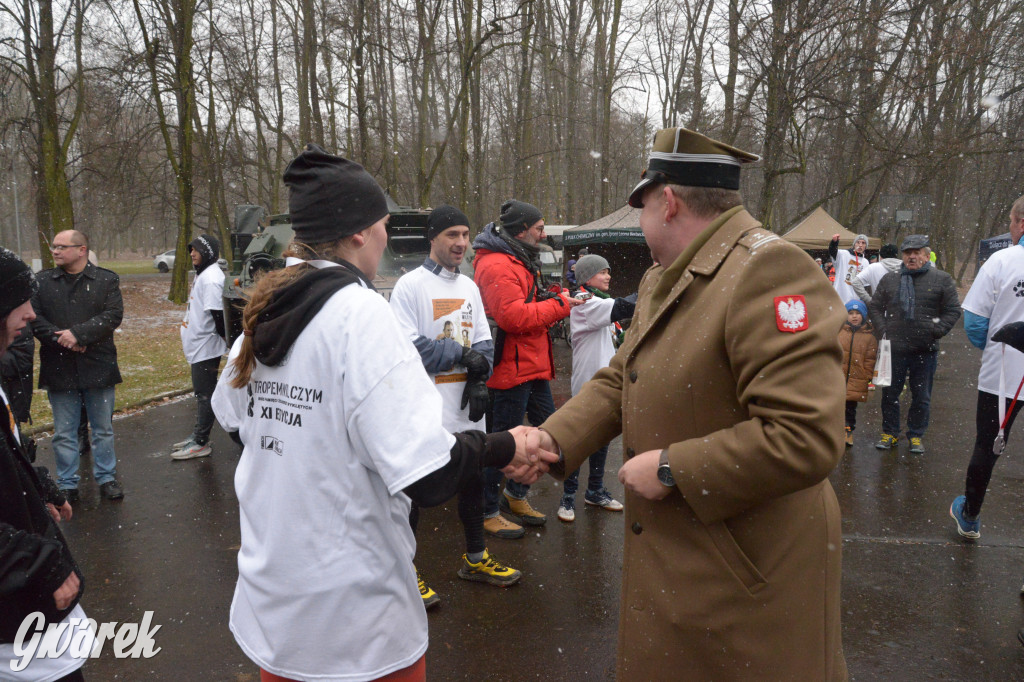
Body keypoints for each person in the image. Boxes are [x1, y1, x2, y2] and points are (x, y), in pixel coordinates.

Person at [210, 145, 554, 682]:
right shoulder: (359, 314)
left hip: (276, 606)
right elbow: (428, 472)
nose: (388, 238)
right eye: (384, 226)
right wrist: (508, 446)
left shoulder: (268, 308)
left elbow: (235, 422)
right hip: (355, 620)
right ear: (358, 234)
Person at [529, 127, 847, 679]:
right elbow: (623, 377)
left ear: (668, 202)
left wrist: (676, 468)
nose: (641, 222)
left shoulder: (768, 270)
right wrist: (555, 438)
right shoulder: (663, 277)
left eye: (643, 207)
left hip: (742, 579)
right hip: (692, 570)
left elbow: (805, 436)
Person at [390, 204, 522, 608]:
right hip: (424, 408)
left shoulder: (468, 287)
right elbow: (409, 347)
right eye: (452, 235)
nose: (461, 243)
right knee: (412, 493)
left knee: (473, 482)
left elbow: (484, 339)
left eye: (465, 235)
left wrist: (480, 377)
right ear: (433, 237)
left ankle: (476, 558)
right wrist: (460, 355)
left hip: (466, 409)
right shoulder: (409, 287)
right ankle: (405, 572)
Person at [0, 248, 93, 681]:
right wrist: (38, 561)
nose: (31, 314)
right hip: (16, 623)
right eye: (21, 302)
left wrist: (36, 487)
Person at [471, 200, 584, 537]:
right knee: (503, 445)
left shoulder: (518, 257)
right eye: (538, 228)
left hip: (530, 367)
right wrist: (560, 304)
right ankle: (487, 509)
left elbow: (525, 305)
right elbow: (513, 317)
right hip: (509, 372)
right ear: (521, 230)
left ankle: (514, 495)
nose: (543, 234)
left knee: (550, 435)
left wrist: (552, 295)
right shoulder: (497, 265)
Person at [949, 195, 1024, 540]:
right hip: (1007, 373)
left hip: (1005, 374)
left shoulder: (1003, 260)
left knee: (989, 444)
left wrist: (993, 350)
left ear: (1021, 223)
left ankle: (970, 514)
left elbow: (976, 322)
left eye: (1011, 221)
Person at [32, 230, 125, 502]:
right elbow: (34, 319)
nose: (56, 251)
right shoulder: (42, 282)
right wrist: (66, 340)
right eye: (54, 247)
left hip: (98, 364)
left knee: (103, 429)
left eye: (62, 246)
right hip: (59, 366)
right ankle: (67, 484)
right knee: (64, 432)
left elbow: (112, 316)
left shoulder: (106, 280)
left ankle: (107, 478)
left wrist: (79, 335)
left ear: (82, 249)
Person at [555, 254, 633, 522]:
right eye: (602, 272)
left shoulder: (597, 300)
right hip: (588, 384)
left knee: (601, 439)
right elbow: (622, 307)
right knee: (578, 441)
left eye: (608, 271)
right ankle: (568, 496)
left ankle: (595, 491)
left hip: (605, 385)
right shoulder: (585, 302)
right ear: (587, 278)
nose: (608, 276)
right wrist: (654, 287)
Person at [867, 234, 961, 454]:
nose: (911, 257)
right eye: (908, 253)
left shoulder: (942, 279)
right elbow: (875, 307)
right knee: (890, 395)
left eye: (916, 253)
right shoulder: (890, 279)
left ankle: (916, 435)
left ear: (926, 256)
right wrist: (883, 330)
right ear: (902, 256)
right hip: (895, 349)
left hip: (925, 350)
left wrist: (936, 330)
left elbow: (953, 310)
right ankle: (890, 433)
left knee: (922, 396)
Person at [170, 234, 228, 460]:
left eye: (196, 250)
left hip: (206, 346)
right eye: (190, 249)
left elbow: (218, 315)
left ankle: (201, 442)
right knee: (202, 393)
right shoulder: (203, 274)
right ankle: (198, 435)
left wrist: (227, 342)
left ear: (208, 252)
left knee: (205, 395)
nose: (192, 253)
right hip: (198, 346)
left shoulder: (212, 278)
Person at [839, 299, 877, 447]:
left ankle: (848, 430)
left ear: (863, 316)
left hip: (857, 378)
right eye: (850, 313)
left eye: (858, 313)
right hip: (838, 376)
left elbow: (869, 360)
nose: (854, 316)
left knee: (850, 407)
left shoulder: (869, 337)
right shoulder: (839, 333)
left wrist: (868, 378)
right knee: (836, 405)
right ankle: (836, 430)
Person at [828, 232, 870, 303]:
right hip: (840, 297)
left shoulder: (865, 262)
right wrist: (834, 243)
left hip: (856, 300)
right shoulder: (843, 254)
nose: (860, 245)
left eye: (863, 243)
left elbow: (865, 285)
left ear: (866, 246)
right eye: (858, 242)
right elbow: (832, 252)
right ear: (854, 244)